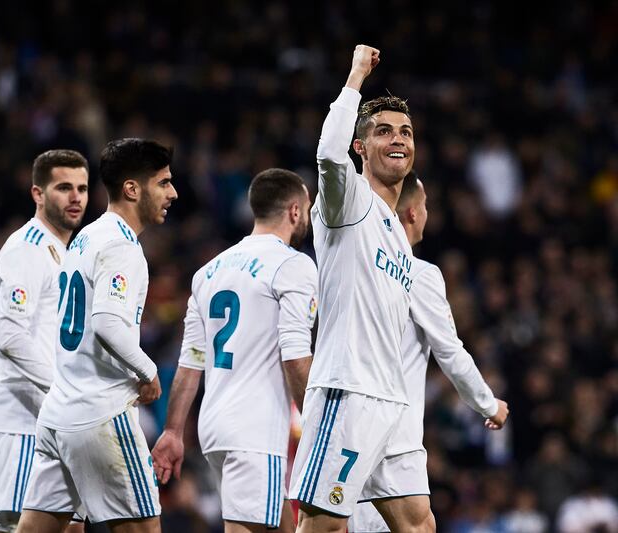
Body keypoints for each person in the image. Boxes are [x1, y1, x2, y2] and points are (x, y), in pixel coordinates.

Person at [288, 44, 422, 533]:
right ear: (361, 148)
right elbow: (327, 153)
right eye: (383, 130)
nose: (398, 139)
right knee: (322, 524)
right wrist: (355, 77)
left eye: (405, 131)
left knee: (417, 525)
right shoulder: (349, 202)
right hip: (348, 392)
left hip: (389, 398)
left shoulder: (398, 236)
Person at [16, 138, 178, 533]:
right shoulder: (122, 246)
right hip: (100, 413)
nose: (172, 193)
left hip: (59, 414)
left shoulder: (85, 237)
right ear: (132, 189)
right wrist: (148, 371)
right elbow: (107, 324)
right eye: (163, 183)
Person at [152, 168, 319, 533]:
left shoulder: (208, 271)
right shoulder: (293, 265)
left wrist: (174, 432)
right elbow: (294, 355)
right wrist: (319, 424)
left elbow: (190, 363)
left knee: (280, 525)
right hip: (255, 428)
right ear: (294, 211)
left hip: (215, 427)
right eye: (307, 207)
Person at [348, 172, 510, 533]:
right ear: (411, 214)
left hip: (351, 429)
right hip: (395, 435)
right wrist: (489, 404)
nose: (427, 213)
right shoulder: (418, 274)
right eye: (425, 205)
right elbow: (450, 353)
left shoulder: (353, 268)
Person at [0, 149, 89, 533]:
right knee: (18, 527)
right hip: (22, 416)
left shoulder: (68, 253)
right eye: (63, 188)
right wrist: (65, 389)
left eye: (82, 188)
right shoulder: (26, 246)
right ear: (37, 194)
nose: (76, 197)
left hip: (58, 419)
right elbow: (11, 336)